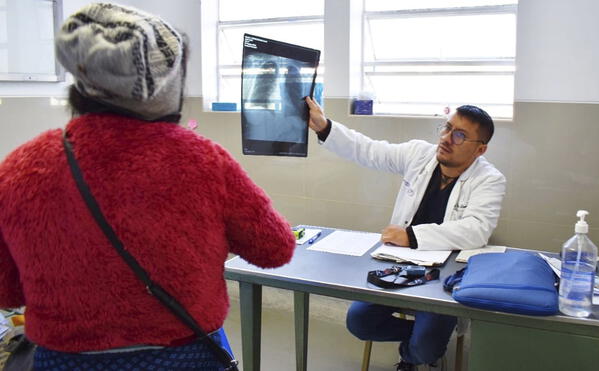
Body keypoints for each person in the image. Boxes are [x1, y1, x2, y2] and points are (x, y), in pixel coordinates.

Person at [0, 3, 295, 370]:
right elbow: (275, 248)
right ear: (168, 82)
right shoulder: (202, 160)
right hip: (184, 355)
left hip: (66, 360)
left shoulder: (20, 168)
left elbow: (7, 290)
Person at [305, 97, 506, 370]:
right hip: (399, 265)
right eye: (446, 128)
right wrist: (325, 127)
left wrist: (411, 236)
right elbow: (369, 150)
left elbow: (477, 229)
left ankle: (413, 355)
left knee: (424, 348)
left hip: (443, 278)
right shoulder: (419, 155)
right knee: (359, 321)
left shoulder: (490, 179)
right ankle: (419, 347)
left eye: (460, 135)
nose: (446, 138)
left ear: (480, 149)